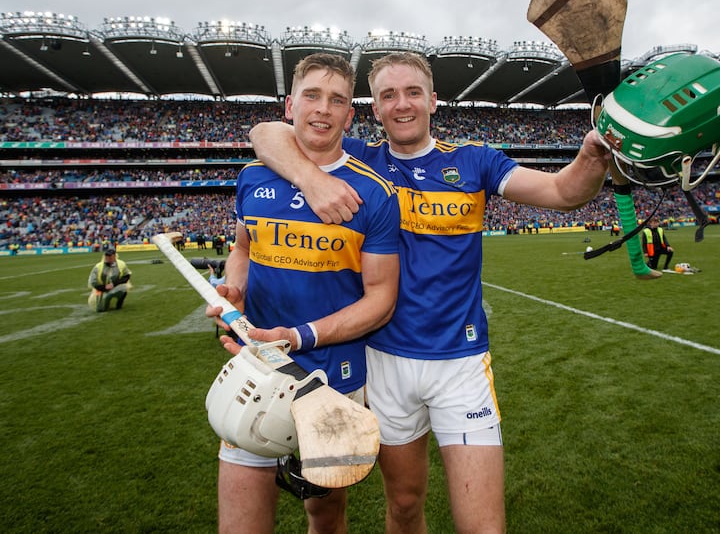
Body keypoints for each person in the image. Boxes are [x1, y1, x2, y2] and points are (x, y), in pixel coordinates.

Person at [248, 52, 610, 533]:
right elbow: (265, 134)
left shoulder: (473, 161)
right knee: (403, 505)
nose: (402, 104)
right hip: (384, 363)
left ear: (433, 100)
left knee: (483, 525)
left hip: (460, 364)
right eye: (388, 96)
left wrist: (592, 153)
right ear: (373, 110)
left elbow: (564, 192)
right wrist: (312, 178)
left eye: (413, 92)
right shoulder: (359, 159)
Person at [208, 52, 400, 534]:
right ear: (289, 104)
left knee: (326, 515)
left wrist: (298, 335)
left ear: (350, 115)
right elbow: (243, 249)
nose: (323, 109)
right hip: (257, 371)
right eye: (312, 95)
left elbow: (380, 300)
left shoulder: (374, 194)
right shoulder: (253, 177)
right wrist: (234, 288)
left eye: (337, 100)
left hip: (335, 377)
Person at [87, 248, 131, 312]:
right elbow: (93, 281)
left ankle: (119, 304)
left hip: (114, 286)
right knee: (100, 309)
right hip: (101, 288)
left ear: (114, 256)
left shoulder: (121, 264)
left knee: (123, 288)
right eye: (107, 256)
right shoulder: (98, 266)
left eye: (110, 256)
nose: (108, 258)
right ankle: (103, 301)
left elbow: (127, 276)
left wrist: (113, 284)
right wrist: (104, 287)